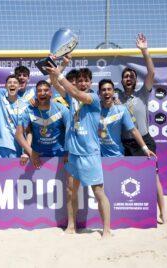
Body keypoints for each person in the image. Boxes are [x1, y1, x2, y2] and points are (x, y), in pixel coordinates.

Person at [47, 66, 111, 238]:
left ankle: (106, 230)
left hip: (90, 153)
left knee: (98, 192)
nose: (83, 83)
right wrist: (55, 72)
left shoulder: (94, 98)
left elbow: (75, 92)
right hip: (74, 153)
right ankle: (71, 226)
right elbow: (56, 84)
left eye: (86, 80)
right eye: (80, 80)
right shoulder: (71, 96)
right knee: (70, 191)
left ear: (91, 83)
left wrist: (60, 75)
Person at [118, 33, 167, 224]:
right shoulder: (116, 98)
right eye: (125, 77)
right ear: (122, 81)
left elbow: (152, 73)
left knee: (153, 178)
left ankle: (163, 213)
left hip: (144, 142)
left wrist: (144, 50)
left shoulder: (143, 94)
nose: (129, 78)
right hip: (124, 143)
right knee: (128, 178)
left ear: (135, 80)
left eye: (131, 76)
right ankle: (132, 213)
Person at [15, 80, 69, 168]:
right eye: (39, 91)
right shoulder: (29, 110)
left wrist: (68, 151)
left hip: (60, 154)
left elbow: (70, 131)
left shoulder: (62, 109)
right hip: (38, 155)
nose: (42, 93)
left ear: (51, 93)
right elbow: (18, 134)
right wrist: (30, 152)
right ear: (36, 94)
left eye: (46, 90)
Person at [0, 55, 27, 158]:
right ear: (6, 86)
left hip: (17, 148)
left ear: (19, 86)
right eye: (9, 83)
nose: (12, 84)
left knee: (14, 175)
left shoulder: (25, 105)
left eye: (15, 82)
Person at [98, 79, 156, 158]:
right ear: (99, 93)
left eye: (109, 89)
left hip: (117, 155)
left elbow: (133, 130)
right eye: (103, 90)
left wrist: (145, 149)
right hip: (98, 157)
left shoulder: (122, 110)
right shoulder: (94, 111)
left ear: (113, 92)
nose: (106, 92)